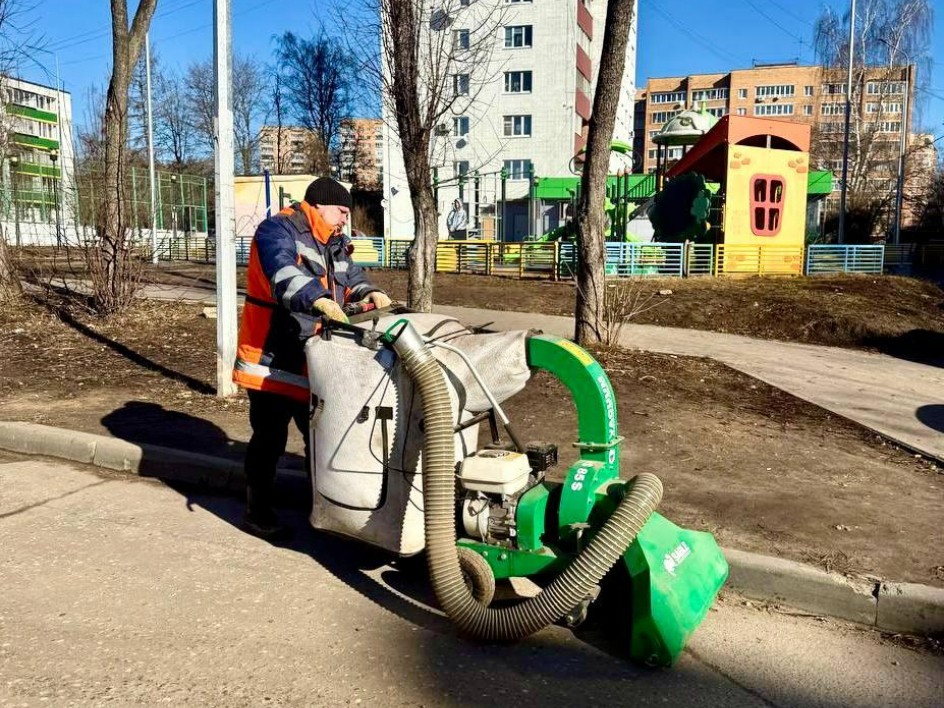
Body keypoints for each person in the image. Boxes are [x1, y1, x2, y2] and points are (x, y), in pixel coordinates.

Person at [233, 177, 392, 539]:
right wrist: (317, 299)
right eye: (341, 211)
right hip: (272, 359)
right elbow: (283, 272)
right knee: (269, 440)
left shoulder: (332, 241)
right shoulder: (277, 231)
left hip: (314, 359)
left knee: (321, 440)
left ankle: (323, 510)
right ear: (319, 205)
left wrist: (373, 292)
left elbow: (351, 275)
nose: (344, 220)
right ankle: (257, 511)